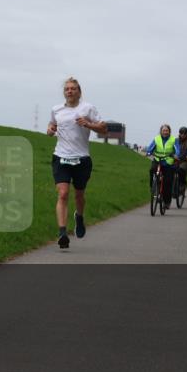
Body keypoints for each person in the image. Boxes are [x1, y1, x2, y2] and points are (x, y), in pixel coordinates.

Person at [47, 77, 109, 249]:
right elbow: (51, 126)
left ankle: (79, 217)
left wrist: (88, 124)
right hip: (61, 157)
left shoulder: (87, 108)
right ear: (64, 92)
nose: (70, 91)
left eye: (73, 88)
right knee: (63, 193)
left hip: (81, 158)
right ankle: (62, 233)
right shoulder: (56, 109)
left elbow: (104, 129)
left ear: (79, 92)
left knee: (79, 195)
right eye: (67, 89)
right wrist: (50, 130)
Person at [145, 124, 176, 208]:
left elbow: (177, 149)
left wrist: (176, 155)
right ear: (161, 131)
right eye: (163, 130)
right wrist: (148, 152)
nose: (165, 132)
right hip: (158, 160)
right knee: (152, 170)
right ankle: (153, 187)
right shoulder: (156, 138)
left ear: (169, 131)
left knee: (167, 182)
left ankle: (167, 202)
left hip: (168, 162)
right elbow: (151, 147)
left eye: (167, 131)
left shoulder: (173, 139)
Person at [173, 127, 187, 199]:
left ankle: (183, 184)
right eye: (181, 133)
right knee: (170, 171)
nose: (182, 135)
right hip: (176, 159)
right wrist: (174, 155)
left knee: (181, 170)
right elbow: (176, 147)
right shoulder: (176, 140)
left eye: (184, 134)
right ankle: (172, 189)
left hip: (186, 161)